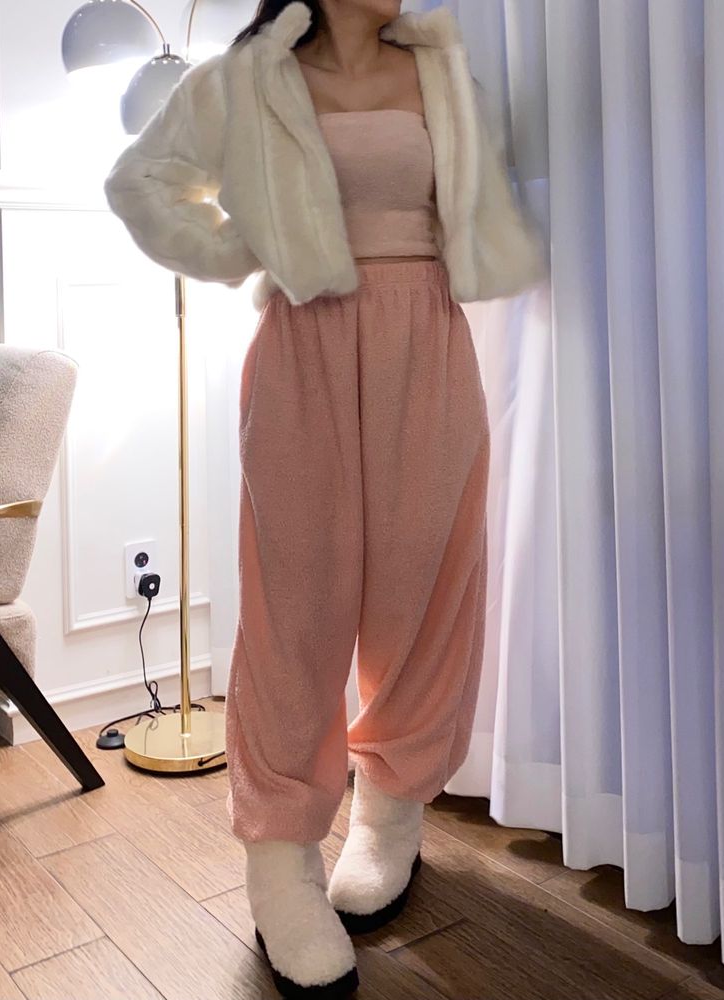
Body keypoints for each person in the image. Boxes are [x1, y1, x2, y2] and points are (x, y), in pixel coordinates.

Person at [104, 1, 546, 996]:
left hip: (427, 341)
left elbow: (486, 194)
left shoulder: (442, 71)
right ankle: (280, 862)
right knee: (295, 611)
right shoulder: (248, 76)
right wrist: (248, 248)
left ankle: (391, 811)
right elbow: (143, 182)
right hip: (303, 344)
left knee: (423, 590)